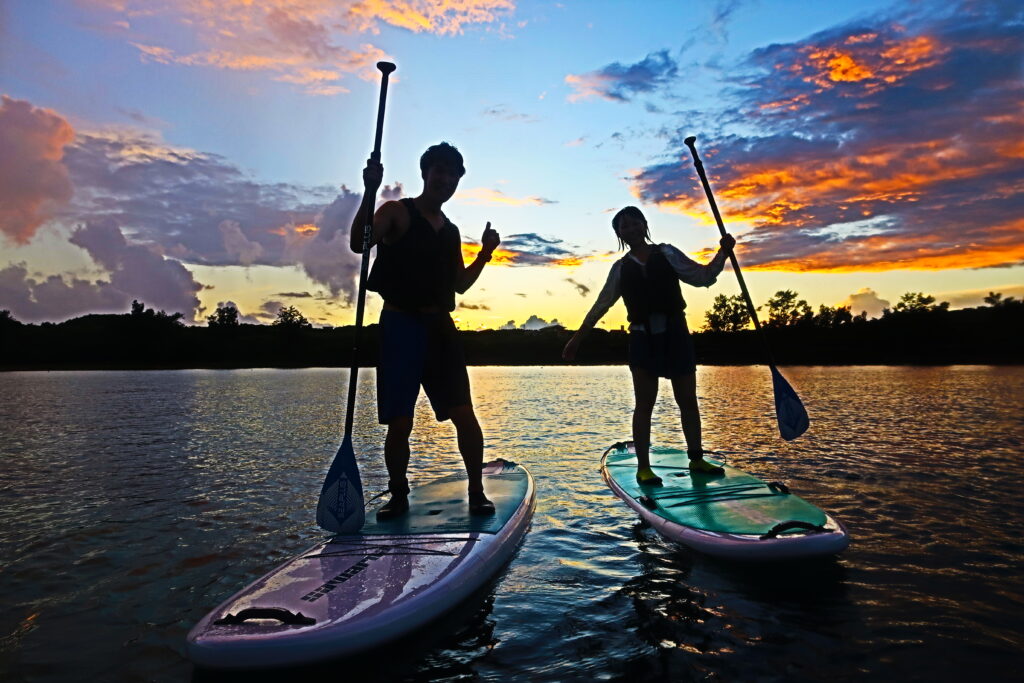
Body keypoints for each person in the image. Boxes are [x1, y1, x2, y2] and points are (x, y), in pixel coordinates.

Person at [351, 142, 500, 519]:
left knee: (464, 413)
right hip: (400, 325)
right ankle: (398, 495)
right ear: (426, 173)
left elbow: (460, 285)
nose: (446, 179)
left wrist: (485, 253)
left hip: (440, 329)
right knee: (400, 421)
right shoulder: (396, 212)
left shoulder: (450, 231)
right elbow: (359, 242)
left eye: (453, 174)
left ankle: (477, 491)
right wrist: (370, 189)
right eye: (440, 171)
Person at [562, 206, 735, 485]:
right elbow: (602, 304)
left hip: (675, 334)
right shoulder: (620, 268)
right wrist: (577, 338)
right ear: (618, 234)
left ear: (644, 225)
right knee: (644, 404)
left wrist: (723, 253)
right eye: (623, 227)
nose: (629, 229)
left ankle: (697, 459)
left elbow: (702, 277)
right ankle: (644, 467)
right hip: (642, 339)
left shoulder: (666, 253)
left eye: (633, 223)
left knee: (687, 401)